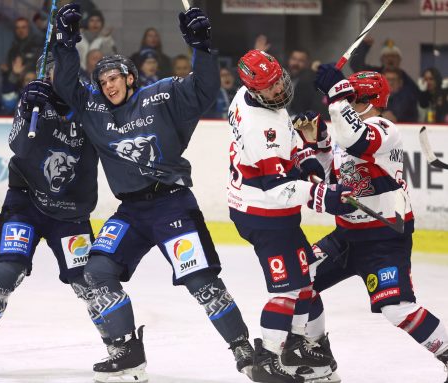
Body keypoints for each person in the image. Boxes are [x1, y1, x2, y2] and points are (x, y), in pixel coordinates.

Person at [52, 3, 255, 382]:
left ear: (130, 78)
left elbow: (205, 88)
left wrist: (201, 45)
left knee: (201, 283)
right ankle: (128, 352)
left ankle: (243, 347)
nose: (108, 85)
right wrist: (64, 42)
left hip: (170, 203)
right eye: (103, 81)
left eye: (115, 77)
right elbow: (65, 86)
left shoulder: (161, 96)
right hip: (131, 213)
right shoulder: (94, 109)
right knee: (95, 272)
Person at [0, 53, 100, 375]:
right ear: (47, 77)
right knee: (6, 272)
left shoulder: (91, 107)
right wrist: (27, 105)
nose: (57, 80)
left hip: (70, 211)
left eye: (65, 74)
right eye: (52, 75)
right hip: (25, 204)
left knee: (87, 282)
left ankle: (117, 343)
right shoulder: (34, 100)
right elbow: (18, 146)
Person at [304, 64, 448, 381]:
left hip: (384, 237)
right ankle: (318, 358)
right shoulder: (346, 132)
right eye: (348, 98)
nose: (348, 103)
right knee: (301, 279)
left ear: (371, 100)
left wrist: (336, 97)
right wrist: (320, 146)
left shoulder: (385, 129)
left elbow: (357, 141)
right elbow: (336, 180)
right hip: (347, 235)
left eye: (353, 98)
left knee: (397, 309)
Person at [228, 49, 356, 383]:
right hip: (264, 213)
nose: (279, 90)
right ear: (255, 89)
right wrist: (323, 196)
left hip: (268, 210)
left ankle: (306, 348)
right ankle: (269, 359)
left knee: (305, 283)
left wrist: (305, 158)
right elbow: (276, 187)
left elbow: (285, 142)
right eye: (270, 88)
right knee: (287, 290)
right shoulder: (261, 128)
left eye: (277, 80)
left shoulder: (250, 96)